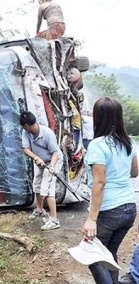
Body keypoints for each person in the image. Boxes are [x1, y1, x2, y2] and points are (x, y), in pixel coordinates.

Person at [82, 97, 138, 284]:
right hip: (129, 209)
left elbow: (100, 182)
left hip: (109, 211)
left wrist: (91, 219)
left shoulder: (97, 145)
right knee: (108, 254)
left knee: (94, 257)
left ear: (98, 118)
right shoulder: (129, 142)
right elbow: (134, 172)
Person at [20, 111, 63, 230]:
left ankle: (54, 220)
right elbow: (25, 149)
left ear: (26, 125)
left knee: (48, 188)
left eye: (24, 126)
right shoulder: (26, 132)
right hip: (40, 160)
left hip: (54, 161)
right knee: (37, 184)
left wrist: (52, 167)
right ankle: (40, 210)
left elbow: (55, 153)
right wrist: (36, 157)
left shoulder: (48, 134)